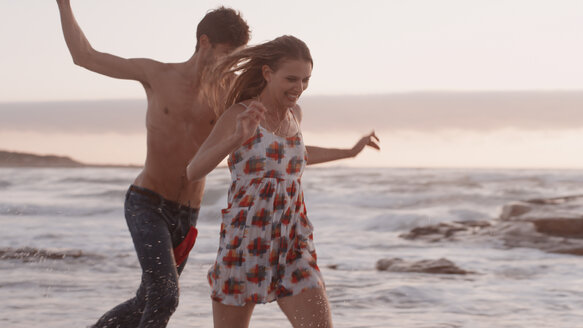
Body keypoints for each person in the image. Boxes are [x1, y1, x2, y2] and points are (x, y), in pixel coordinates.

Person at [56, 1, 250, 327]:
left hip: (187, 217)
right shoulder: (157, 75)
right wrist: (63, 4)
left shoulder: (229, 92)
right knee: (165, 296)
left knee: (147, 300)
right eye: (226, 54)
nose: (230, 64)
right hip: (146, 204)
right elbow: (83, 55)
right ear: (205, 42)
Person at [186, 35, 380, 328]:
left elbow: (295, 155)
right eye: (291, 79)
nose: (299, 88)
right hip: (245, 243)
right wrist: (238, 137)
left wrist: (350, 152)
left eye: (305, 80)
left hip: (293, 243)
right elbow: (194, 170)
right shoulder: (240, 115)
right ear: (267, 73)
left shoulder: (295, 115)